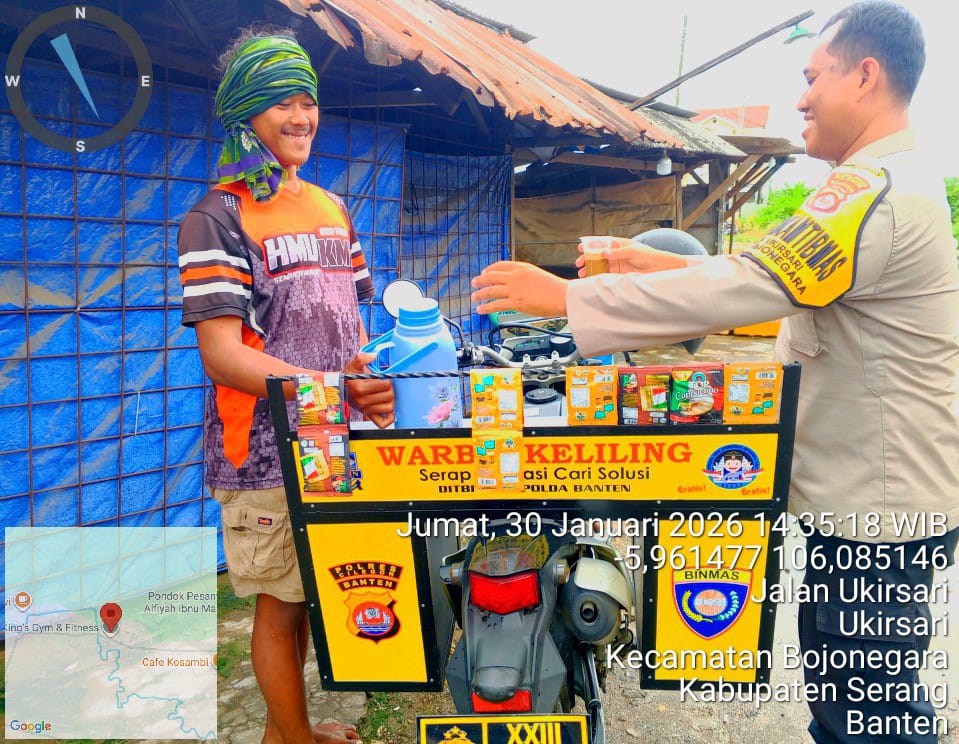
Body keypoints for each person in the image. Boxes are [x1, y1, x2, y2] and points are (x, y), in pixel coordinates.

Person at [471, 2, 959, 741]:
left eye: (813, 77)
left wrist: (569, 298)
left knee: (872, 712)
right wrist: (650, 260)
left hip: (881, 509)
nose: (801, 99)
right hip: (873, 499)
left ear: (865, 76)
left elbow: (754, 284)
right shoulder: (883, 184)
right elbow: (778, 270)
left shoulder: (871, 194)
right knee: (847, 696)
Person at [178, 29, 394, 744]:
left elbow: (347, 325)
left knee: (305, 597)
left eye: (308, 102)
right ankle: (295, 739)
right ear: (245, 113)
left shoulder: (332, 208)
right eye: (281, 103)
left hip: (335, 442)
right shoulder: (217, 217)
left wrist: (364, 378)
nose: (301, 117)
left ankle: (286, 732)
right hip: (263, 453)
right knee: (277, 606)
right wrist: (331, 387)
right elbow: (221, 356)